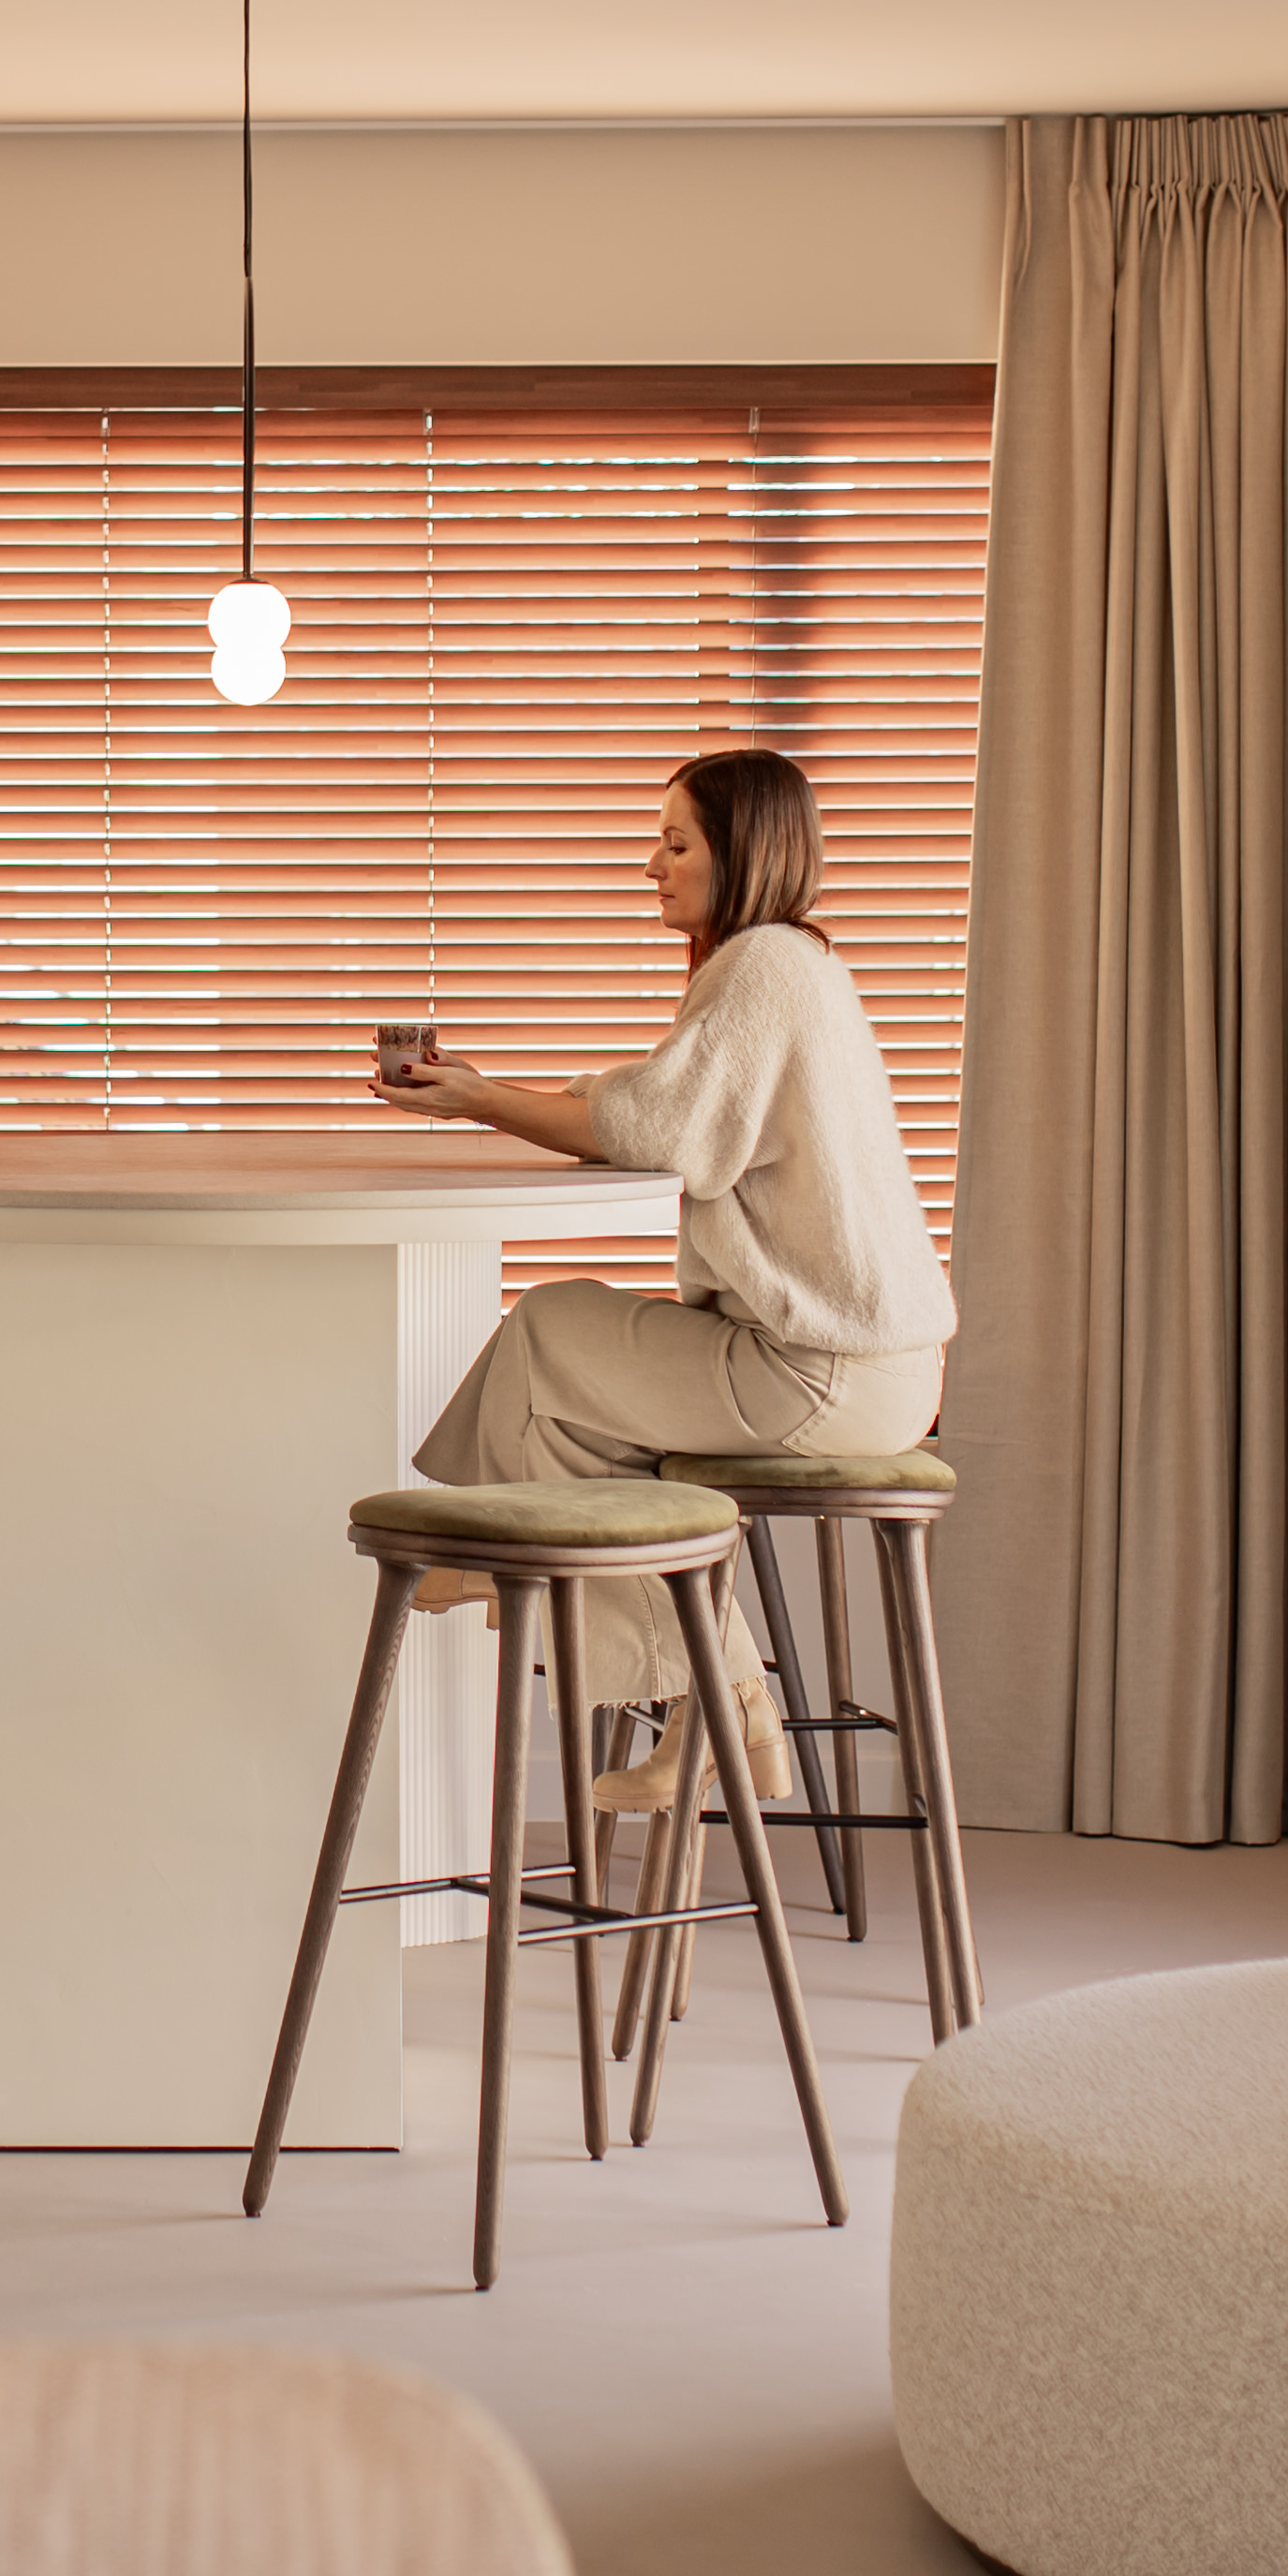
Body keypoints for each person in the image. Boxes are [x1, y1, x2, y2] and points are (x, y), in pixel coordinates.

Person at [372, 746, 953, 1808]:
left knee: (548, 1335)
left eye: (677, 842)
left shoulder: (764, 964)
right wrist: (514, 1094)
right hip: (871, 1365)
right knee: (567, 1410)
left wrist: (481, 1098)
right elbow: (672, 1108)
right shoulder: (799, 968)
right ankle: (707, 1704)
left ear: (742, 853)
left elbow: (660, 1128)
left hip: (823, 1370)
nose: (653, 864)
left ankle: (707, 1690)